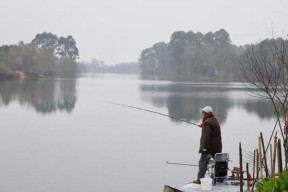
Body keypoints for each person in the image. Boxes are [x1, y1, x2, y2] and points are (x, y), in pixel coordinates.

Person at [192, 106, 222, 184]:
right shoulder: (214, 120)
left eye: (204, 112)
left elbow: (206, 136)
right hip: (217, 147)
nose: (203, 114)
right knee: (219, 163)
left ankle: (199, 180)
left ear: (207, 113)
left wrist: (204, 147)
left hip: (209, 148)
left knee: (202, 163)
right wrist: (203, 125)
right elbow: (211, 129)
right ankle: (220, 178)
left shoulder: (207, 122)